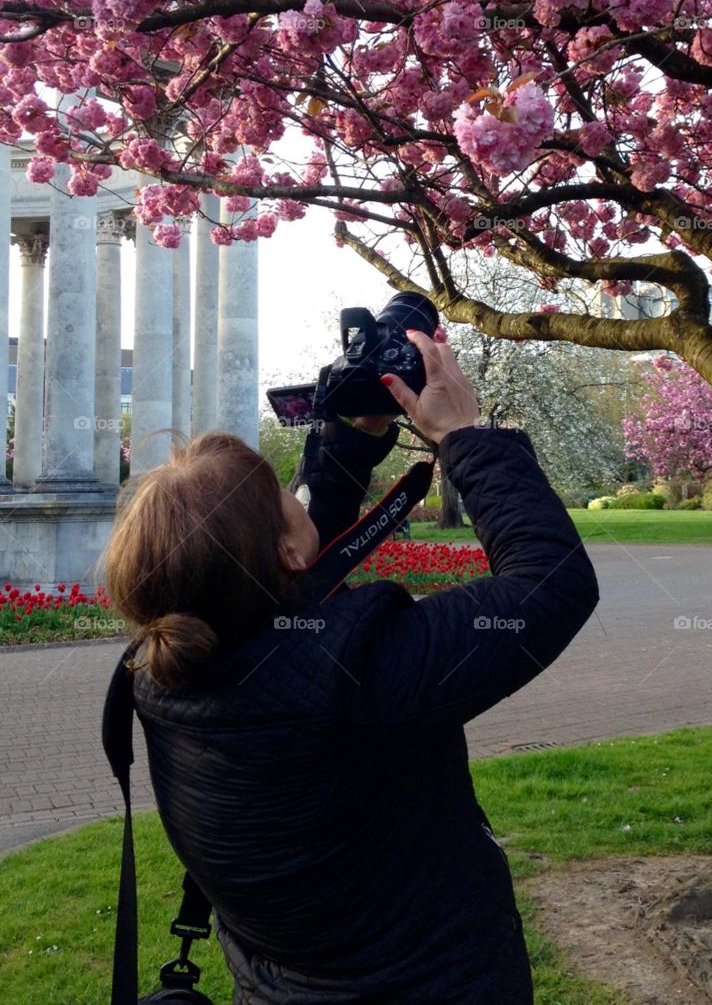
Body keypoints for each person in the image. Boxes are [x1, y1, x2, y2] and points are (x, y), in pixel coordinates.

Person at [103, 329, 599, 1005]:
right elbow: (551, 583)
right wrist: (464, 437)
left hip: (280, 984)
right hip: (431, 984)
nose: (297, 493)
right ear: (283, 551)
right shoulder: (359, 673)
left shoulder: (166, 666)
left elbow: (293, 561)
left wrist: (357, 437)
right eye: (284, 494)